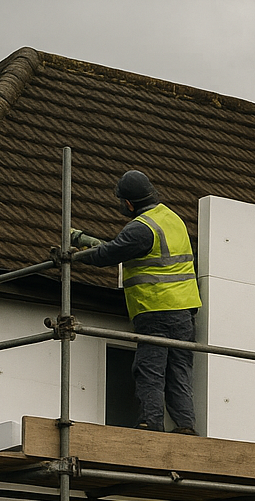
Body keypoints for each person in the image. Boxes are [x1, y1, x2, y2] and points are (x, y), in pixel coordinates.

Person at [73, 170, 201, 434]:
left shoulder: (141, 228)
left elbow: (109, 254)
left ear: (129, 203)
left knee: (150, 370)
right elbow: (127, 249)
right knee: (179, 370)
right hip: (185, 311)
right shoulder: (172, 219)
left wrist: (75, 257)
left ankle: (151, 424)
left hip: (156, 309)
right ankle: (186, 426)